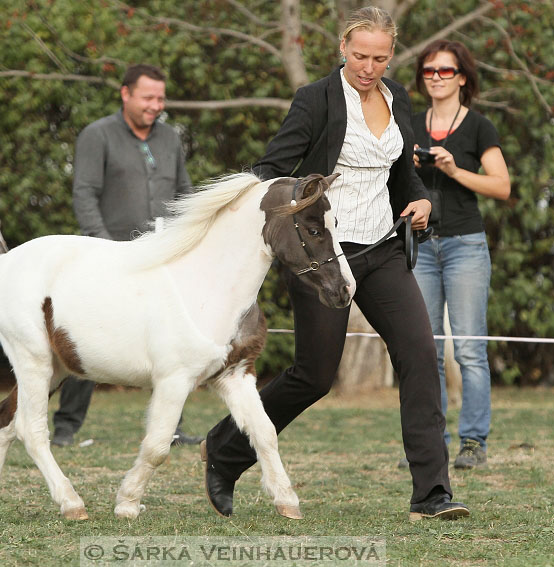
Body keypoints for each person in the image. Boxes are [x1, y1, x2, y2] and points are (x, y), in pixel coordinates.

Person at [201, 7, 469, 521]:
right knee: (314, 376)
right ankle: (226, 449)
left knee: (419, 356)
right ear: (342, 48)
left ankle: (432, 495)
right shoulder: (316, 100)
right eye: (361, 55)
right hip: (323, 254)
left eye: (381, 57)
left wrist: (421, 200)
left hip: (383, 251)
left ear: (392, 55)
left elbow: (401, 170)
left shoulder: (399, 98)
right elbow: (273, 169)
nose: (370, 67)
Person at [53, 63, 201, 447]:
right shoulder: (97, 135)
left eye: (160, 98)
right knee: (88, 338)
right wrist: (102, 248)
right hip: (111, 254)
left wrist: (188, 240)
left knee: (170, 342)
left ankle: (171, 427)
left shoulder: (170, 138)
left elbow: (184, 192)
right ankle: (66, 429)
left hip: (164, 256)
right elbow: (84, 193)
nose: (156, 105)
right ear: (125, 94)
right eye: (148, 97)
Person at [410, 40, 511, 469]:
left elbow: (502, 186)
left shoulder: (479, 127)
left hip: (465, 246)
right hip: (420, 247)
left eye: (445, 71)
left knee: (469, 349)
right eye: (429, 71)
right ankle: (431, 442)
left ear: (463, 78)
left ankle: (473, 443)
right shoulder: (410, 124)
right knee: (423, 350)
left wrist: (454, 170)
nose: (436, 77)